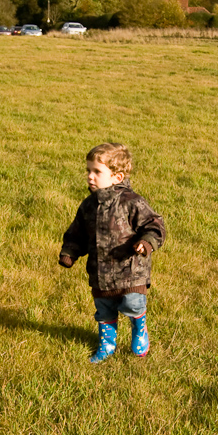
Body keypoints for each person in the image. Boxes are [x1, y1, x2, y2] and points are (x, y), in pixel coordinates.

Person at [59, 143, 166, 363]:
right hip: (100, 273)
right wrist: (70, 251)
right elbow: (76, 232)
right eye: (88, 170)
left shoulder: (131, 202)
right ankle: (107, 344)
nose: (90, 176)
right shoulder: (88, 206)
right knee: (104, 310)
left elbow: (154, 225)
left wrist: (146, 243)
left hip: (131, 271)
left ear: (117, 177)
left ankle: (139, 331)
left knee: (132, 304)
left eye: (97, 172)